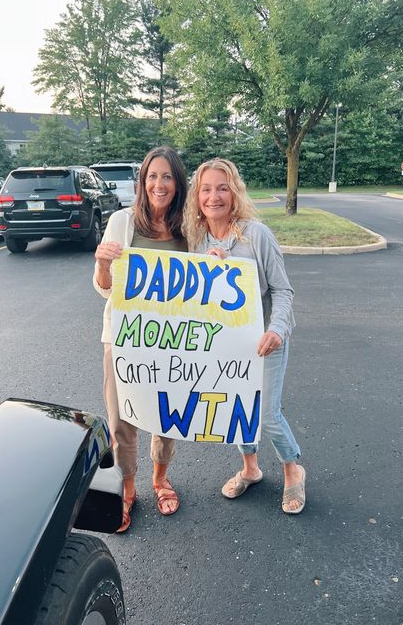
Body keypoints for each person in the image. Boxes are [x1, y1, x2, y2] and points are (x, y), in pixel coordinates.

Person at [183, 158, 306, 514]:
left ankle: (293, 468)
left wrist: (277, 330)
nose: (214, 196)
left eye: (222, 187)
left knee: (267, 414)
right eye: (206, 189)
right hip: (225, 344)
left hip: (265, 341)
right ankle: (250, 469)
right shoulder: (197, 239)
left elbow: (283, 291)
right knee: (236, 409)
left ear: (234, 191)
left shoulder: (256, 234)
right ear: (197, 196)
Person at [93, 146, 188, 532]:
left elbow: (205, 286)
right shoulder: (121, 222)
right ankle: (128, 486)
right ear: (142, 182)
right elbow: (104, 289)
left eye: (167, 177)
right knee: (121, 418)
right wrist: (102, 263)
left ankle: (160, 478)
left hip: (173, 339)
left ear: (178, 183)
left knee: (166, 415)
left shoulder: (189, 228)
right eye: (152, 176)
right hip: (125, 338)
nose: (159, 184)